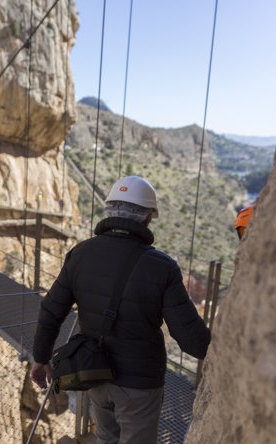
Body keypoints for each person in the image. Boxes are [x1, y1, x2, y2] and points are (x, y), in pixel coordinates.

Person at [31, 175, 211, 444]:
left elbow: (51, 311)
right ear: (148, 218)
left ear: (110, 210)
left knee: (106, 438)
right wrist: (224, 349)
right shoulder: (162, 267)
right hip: (139, 384)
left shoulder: (80, 253)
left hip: (95, 373)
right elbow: (192, 341)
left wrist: (40, 358)